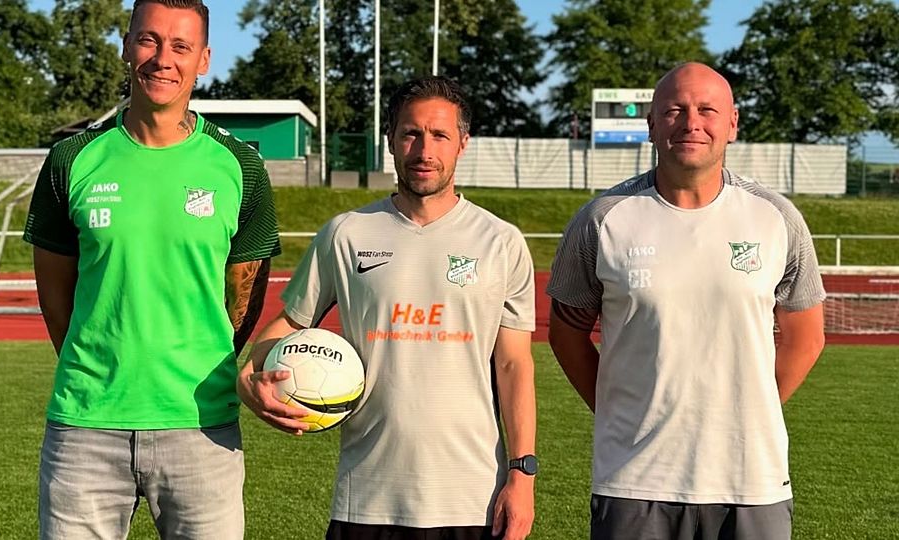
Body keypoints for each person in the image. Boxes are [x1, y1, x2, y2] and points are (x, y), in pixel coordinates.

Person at [238, 76, 537, 540]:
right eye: (410, 133)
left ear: (463, 143)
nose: (424, 149)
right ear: (391, 141)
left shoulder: (500, 241)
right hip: (367, 497)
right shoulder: (347, 233)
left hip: (473, 496)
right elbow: (287, 323)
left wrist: (522, 475)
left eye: (439, 135)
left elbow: (514, 364)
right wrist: (248, 380)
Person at [23, 1, 281, 537]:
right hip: (85, 427)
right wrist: (98, 369)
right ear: (126, 45)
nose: (163, 59)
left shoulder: (240, 166)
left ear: (204, 58)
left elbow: (244, 298)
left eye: (181, 46)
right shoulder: (72, 159)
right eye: (149, 40)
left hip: (202, 428)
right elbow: (54, 296)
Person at [547, 62, 826, 540]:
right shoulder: (602, 220)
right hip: (634, 481)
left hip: (751, 480)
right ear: (652, 124)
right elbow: (565, 333)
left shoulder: (775, 218)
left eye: (706, 110)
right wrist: (622, 409)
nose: (690, 122)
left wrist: (745, 409)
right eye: (674, 109)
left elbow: (806, 337)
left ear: (732, 123)